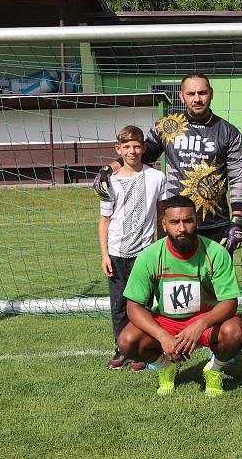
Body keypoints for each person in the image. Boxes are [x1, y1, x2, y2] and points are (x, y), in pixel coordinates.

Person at [94, 73, 242, 253]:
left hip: (215, 225)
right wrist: (108, 169)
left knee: (215, 280)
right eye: (191, 94)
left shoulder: (229, 132)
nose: (197, 99)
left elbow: (238, 177)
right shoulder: (166, 126)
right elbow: (141, 154)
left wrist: (237, 222)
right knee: (178, 280)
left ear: (211, 94)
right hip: (177, 225)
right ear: (181, 96)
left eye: (202, 93)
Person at [117, 195, 242, 396]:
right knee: (127, 341)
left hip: (205, 321)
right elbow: (134, 307)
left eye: (188, 221)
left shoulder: (216, 253)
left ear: (197, 221)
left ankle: (214, 370)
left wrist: (200, 325)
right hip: (167, 322)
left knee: (234, 331)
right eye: (175, 222)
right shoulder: (150, 256)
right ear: (164, 224)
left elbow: (230, 302)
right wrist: (163, 337)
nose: (182, 228)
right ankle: (165, 366)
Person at [98, 125, 167, 371]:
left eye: (137, 146)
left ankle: (139, 350)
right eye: (126, 147)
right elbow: (104, 221)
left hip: (145, 253)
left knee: (141, 305)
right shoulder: (110, 182)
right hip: (117, 253)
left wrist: (161, 247)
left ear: (145, 148)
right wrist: (105, 254)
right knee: (118, 305)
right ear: (118, 149)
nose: (132, 151)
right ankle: (121, 347)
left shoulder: (157, 177)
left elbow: (161, 216)